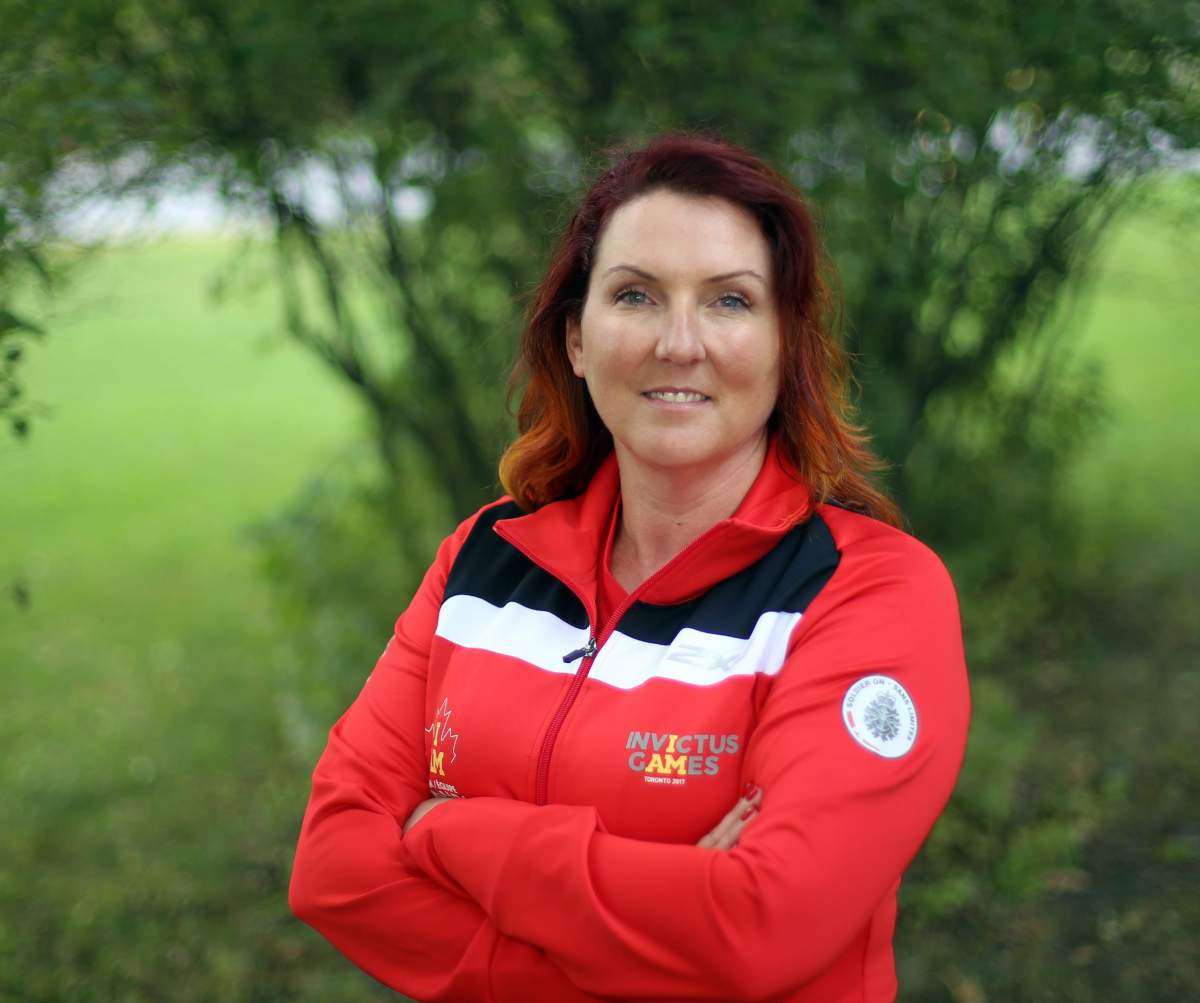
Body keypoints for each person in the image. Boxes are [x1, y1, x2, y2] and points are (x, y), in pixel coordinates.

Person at [288, 132, 970, 1003]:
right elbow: (333, 866)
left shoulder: (871, 590)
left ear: (783, 343)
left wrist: (451, 833)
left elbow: (761, 928)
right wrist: (665, 921)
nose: (678, 342)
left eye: (729, 301)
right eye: (636, 295)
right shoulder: (483, 559)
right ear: (576, 338)